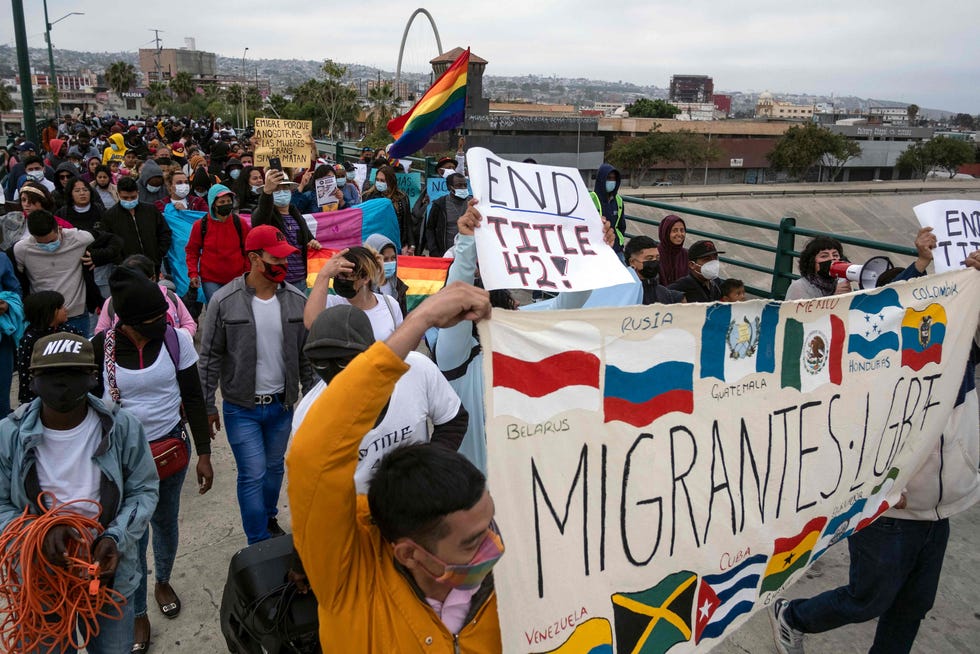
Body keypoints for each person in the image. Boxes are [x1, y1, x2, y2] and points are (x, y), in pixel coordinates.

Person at [771, 238, 980, 654]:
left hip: (939, 506)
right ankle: (793, 615)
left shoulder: (962, 346)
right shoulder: (873, 357)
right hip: (889, 506)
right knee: (867, 599)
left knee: (912, 606)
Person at [286, 282, 501, 652]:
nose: (494, 548)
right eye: (472, 543)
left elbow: (453, 420)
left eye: (490, 527)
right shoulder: (351, 581)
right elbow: (314, 460)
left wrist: (427, 475)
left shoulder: (511, 593)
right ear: (410, 554)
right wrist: (423, 319)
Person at [0, 331, 159, 654]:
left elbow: (144, 490)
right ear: (32, 381)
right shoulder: (10, 435)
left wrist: (114, 538)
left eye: (72, 373)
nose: (62, 384)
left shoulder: (122, 427)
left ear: (91, 377)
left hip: (109, 579)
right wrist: (37, 534)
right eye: (50, 375)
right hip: (41, 583)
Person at [90, 267, 212, 652]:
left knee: (165, 523)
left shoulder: (176, 341)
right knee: (130, 536)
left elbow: (193, 396)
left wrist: (204, 454)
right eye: (154, 319)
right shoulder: (99, 349)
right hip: (121, 462)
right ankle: (138, 611)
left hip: (171, 449)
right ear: (128, 323)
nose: (164, 322)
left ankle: (163, 579)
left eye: (164, 315)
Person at [198, 225, 314, 544]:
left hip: (282, 407)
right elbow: (209, 359)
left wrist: (313, 401)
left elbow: (305, 357)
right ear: (254, 258)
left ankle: (268, 517)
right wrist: (207, 407)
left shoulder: (295, 300)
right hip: (242, 410)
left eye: (285, 258)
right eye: (275, 259)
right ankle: (258, 542)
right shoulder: (224, 301)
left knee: (274, 469)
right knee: (253, 474)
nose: (283, 265)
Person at [294, 304, 467, 493]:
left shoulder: (414, 369)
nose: (334, 372)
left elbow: (453, 419)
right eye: (319, 363)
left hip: (419, 507)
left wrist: (428, 471)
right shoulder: (308, 416)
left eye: (344, 361)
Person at [13, 210, 95, 336]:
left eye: (52, 241)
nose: (48, 246)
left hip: (76, 315)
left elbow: (109, 241)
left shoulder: (79, 238)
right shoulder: (21, 250)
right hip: (43, 320)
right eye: (42, 243)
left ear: (59, 228)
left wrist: (97, 257)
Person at [304, 246, 403, 339]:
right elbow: (311, 323)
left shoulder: (390, 305)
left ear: (365, 278)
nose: (340, 279)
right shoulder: (330, 303)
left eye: (345, 275)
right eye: (337, 275)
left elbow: (399, 345)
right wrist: (323, 275)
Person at [251, 169, 321, 292]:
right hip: (276, 281)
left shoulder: (296, 214)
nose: (281, 192)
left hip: (301, 280)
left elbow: (309, 239)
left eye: (284, 188)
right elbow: (259, 220)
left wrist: (313, 243)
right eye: (276, 189)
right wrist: (267, 192)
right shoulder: (267, 216)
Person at [96, 254, 197, 337]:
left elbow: (189, 324)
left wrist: (177, 340)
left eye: (139, 281)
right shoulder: (112, 302)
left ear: (153, 278)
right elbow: (100, 333)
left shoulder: (170, 297)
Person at [185, 184, 251, 302]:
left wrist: (247, 273)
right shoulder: (200, 225)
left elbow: (248, 250)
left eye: (228, 201)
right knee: (216, 312)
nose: (226, 204)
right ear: (213, 204)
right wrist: (193, 273)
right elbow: (192, 251)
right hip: (210, 280)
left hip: (237, 278)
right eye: (222, 202)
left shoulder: (240, 223)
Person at [16, 291, 83, 406]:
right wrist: (27, 401)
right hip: (41, 395)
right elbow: (25, 371)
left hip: (72, 390)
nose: (66, 309)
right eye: (61, 307)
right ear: (49, 312)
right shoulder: (31, 339)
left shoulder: (71, 332)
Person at [101, 176, 173, 274]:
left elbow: (164, 233)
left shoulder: (151, 210)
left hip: (154, 265)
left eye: (133, 197)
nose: (129, 200)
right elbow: (108, 243)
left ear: (138, 194)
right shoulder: (110, 216)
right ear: (118, 195)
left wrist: (158, 253)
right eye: (125, 198)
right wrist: (121, 262)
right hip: (127, 270)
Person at [363, 165, 414, 253]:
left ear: (390, 181)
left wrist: (411, 244)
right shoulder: (368, 196)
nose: (379, 182)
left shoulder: (402, 198)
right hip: (375, 245)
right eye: (377, 180)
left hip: (398, 243)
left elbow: (407, 222)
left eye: (382, 180)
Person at [784, 236, 853, 300]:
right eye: (824, 256)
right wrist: (834, 298)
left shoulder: (842, 283)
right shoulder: (799, 287)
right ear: (812, 262)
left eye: (835, 255)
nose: (832, 259)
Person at [624, 235, 684, 305]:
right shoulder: (624, 292)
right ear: (632, 262)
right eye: (649, 258)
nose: (655, 262)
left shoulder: (663, 293)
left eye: (657, 258)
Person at [425, 173, 471, 257]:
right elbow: (430, 229)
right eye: (459, 185)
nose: (463, 188)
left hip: (468, 254)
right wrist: (434, 251)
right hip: (444, 254)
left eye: (465, 185)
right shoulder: (439, 204)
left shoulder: (472, 203)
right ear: (450, 187)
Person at [0, 251, 22, 416]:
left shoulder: (1, 259)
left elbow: (15, 291)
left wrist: (7, 304)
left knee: (2, 390)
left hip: (2, 337)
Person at [365, 233, 409, 316]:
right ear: (372, 260)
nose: (390, 262)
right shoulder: (363, 286)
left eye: (393, 258)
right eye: (385, 259)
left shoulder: (399, 286)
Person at [591, 162, 625, 257]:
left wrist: (619, 242)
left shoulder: (618, 200)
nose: (612, 181)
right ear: (602, 179)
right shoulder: (591, 199)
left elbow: (622, 225)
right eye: (609, 178)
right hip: (598, 247)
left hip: (617, 248)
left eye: (614, 179)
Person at [657, 214, 689, 287]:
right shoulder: (655, 255)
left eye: (682, 230)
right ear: (666, 232)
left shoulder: (686, 255)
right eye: (674, 230)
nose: (679, 234)